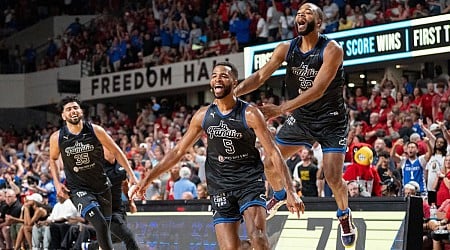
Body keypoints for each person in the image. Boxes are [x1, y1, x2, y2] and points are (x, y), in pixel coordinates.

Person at [132, 61, 304, 250]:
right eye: (214, 76)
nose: (217, 79)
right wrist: (147, 179)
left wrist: (290, 191)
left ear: (234, 82)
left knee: (259, 239)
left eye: (223, 75)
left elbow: (273, 152)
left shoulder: (250, 114)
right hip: (220, 184)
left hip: (248, 181)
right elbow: (178, 151)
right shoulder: (203, 115)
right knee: (230, 248)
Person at [233, 3, 356, 248]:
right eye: (299, 13)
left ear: (319, 22)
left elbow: (318, 89)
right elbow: (259, 77)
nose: (301, 15)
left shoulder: (332, 50)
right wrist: (233, 93)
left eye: (307, 12)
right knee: (269, 163)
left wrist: (279, 109)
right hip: (301, 119)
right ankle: (279, 195)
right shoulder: (286, 48)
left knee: (332, 177)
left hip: (331, 120)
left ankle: (344, 215)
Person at [48, 96, 138, 250]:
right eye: (69, 109)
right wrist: (57, 184)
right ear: (63, 116)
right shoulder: (57, 137)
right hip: (79, 190)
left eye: (75, 108)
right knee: (101, 225)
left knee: (107, 232)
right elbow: (53, 159)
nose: (73, 111)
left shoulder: (96, 130)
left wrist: (132, 175)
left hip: (102, 187)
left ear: (81, 111)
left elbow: (117, 151)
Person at [84, 147, 139, 250]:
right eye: (108, 148)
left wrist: (131, 202)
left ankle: (89, 247)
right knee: (129, 237)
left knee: (117, 238)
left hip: (119, 208)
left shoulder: (121, 166)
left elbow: (124, 184)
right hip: (106, 211)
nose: (111, 150)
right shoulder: (97, 168)